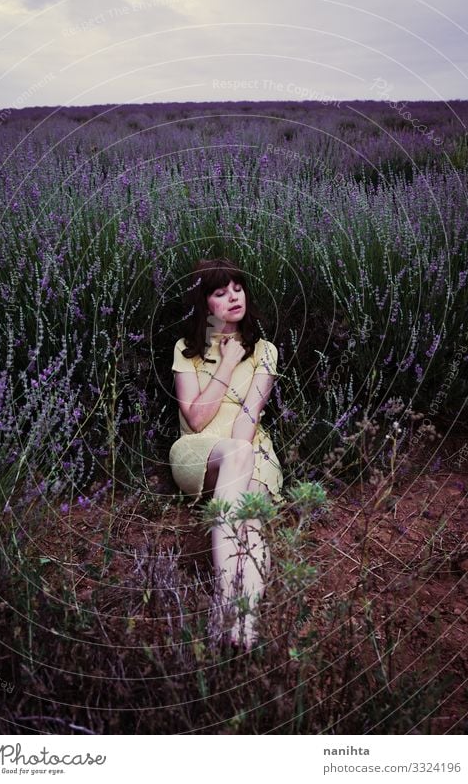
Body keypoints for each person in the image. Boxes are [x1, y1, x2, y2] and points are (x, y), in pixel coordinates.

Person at [169, 257, 283, 650]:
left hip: (250, 450)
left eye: (237, 288)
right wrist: (229, 361)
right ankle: (223, 597)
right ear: (205, 306)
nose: (233, 297)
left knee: (251, 523)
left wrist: (244, 355)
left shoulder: (266, 351)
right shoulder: (186, 350)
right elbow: (197, 420)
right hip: (199, 452)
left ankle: (244, 624)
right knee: (234, 455)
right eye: (220, 292)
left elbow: (246, 425)